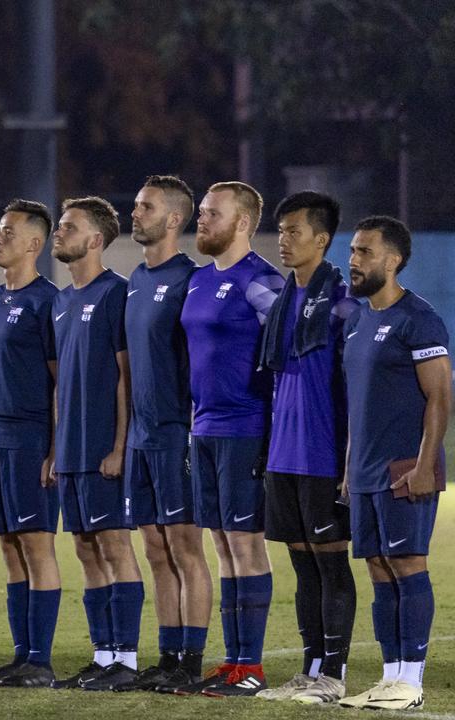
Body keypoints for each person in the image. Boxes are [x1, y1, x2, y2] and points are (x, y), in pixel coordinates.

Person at [339, 216, 449, 711]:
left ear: (394, 260)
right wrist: (347, 468)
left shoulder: (418, 318)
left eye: (364, 252)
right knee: (379, 570)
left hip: (404, 468)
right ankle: (389, 678)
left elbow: (440, 397)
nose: (354, 260)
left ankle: (412, 680)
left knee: (407, 565)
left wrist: (426, 465)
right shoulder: (359, 320)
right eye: (354, 251)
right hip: (362, 471)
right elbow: (358, 402)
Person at [178, 181, 284, 696]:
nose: (201, 221)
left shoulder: (259, 281)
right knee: (220, 545)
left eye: (211, 214)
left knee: (245, 546)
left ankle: (253, 666)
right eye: (200, 213)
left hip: (245, 428)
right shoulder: (198, 280)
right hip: (204, 430)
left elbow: (291, 351)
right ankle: (232, 661)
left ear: (242, 222)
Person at [255, 192, 359, 704]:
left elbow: (356, 388)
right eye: (281, 231)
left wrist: (349, 459)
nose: (284, 240)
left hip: (323, 455)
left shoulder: (342, 303)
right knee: (302, 566)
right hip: (283, 456)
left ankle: (334, 675)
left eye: (295, 231)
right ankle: (310, 669)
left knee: (331, 564)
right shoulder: (282, 302)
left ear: (322, 239)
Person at [48, 197, 144, 692]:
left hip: (105, 449)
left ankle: (126, 659)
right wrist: (56, 450)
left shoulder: (116, 295)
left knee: (114, 547)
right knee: (86, 552)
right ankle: (103, 654)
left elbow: (127, 378)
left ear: (96, 240)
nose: (58, 233)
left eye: (70, 227)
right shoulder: (61, 302)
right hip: (71, 452)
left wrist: (120, 446)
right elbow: (61, 384)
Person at [121, 176, 212, 692]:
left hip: (178, 433)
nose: (135, 213)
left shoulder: (189, 280)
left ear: (174, 219)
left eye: (146, 206)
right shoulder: (135, 277)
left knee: (184, 546)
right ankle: (169, 654)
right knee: (156, 549)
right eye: (136, 204)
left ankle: (192, 661)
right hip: (141, 436)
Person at [0, 200, 62, 688]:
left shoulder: (48, 302)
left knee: (36, 548)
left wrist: (53, 449)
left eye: (8, 232)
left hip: (29, 440)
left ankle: (41, 661)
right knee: (8, 549)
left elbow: (58, 382)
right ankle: (22, 655)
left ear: (33, 243)